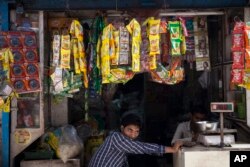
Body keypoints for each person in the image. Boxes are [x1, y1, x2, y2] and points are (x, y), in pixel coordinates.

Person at [88, 113, 183, 167]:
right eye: (130, 130)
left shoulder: (121, 138)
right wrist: (172, 149)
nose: (133, 135)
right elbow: (142, 148)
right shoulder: (116, 138)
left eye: (136, 131)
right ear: (122, 128)